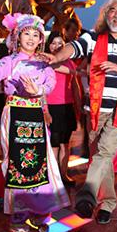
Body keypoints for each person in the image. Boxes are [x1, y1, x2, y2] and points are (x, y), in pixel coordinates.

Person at [43, 0, 117, 224]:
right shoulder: (93, 38)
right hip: (94, 110)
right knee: (100, 158)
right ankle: (108, 203)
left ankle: (88, 196)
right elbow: (74, 48)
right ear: (106, 15)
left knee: (104, 153)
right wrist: (55, 57)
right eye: (112, 10)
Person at [0, 13, 69, 232]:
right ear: (17, 37)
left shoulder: (45, 62)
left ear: (41, 39)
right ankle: (18, 220)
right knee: (19, 165)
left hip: (36, 116)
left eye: (35, 34)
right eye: (26, 33)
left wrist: (38, 92)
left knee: (39, 164)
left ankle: (41, 214)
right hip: (16, 115)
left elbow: (50, 84)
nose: (31, 38)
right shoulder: (10, 61)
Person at [45, 31, 80, 186]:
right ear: (48, 45)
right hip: (51, 107)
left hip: (67, 107)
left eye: (61, 43)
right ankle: (53, 177)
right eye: (54, 43)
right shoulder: (45, 61)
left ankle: (63, 174)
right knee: (53, 143)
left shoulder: (69, 62)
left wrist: (78, 106)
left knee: (65, 143)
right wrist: (45, 110)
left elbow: (75, 85)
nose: (57, 46)